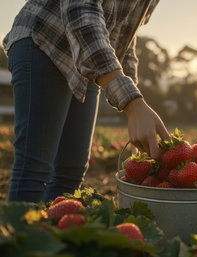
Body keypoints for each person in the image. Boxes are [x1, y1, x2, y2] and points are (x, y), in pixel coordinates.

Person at [2, 0, 170, 203]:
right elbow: (80, 11)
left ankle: (53, 232)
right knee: (35, 167)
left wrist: (135, 101)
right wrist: (132, 103)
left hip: (87, 58)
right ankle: (22, 233)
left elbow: (124, 37)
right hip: (46, 39)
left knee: (71, 171)